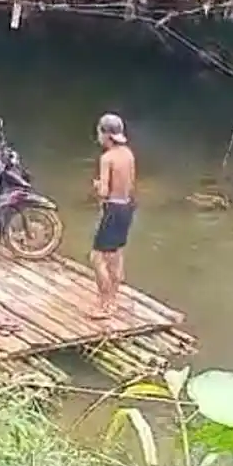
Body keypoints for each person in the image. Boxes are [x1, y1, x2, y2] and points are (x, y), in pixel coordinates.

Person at [90, 113, 136, 319]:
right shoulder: (128, 154)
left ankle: (105, 305)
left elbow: (103, 191)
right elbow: (131, 184)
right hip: (127, 207)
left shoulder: (107, 158)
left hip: (113, 209)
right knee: (116, 256)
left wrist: (97, 185)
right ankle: (114, 299)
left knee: (97, 257)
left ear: (106, 135)